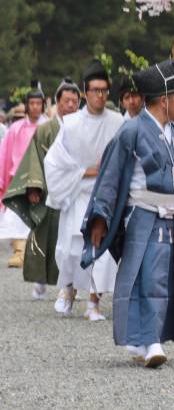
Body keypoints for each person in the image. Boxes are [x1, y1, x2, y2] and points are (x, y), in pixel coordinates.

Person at [81, 59, 174, 368]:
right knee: (148, 279)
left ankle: (143, 339)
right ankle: (150, 341)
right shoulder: (131, 132)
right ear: (164, 100)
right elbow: (109, 177)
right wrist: (100, 216)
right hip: (144, 216)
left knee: (167, 281)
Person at [44, 60, 124, 320]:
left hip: (105, 194)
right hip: (78, 190)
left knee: (101, 250)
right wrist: (88, 171)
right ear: (85, 92)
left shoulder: (117, 122)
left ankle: (93, 302)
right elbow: (54, 161)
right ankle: (67, 289)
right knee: (71, 249)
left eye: (104, 90)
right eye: (95, 90)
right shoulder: (71, 124)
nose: (100, 96)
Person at [3, 78, 81, 299]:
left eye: (75, 102)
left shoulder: (82, 128)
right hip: (49, 189)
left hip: (76, 190)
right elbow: (35, 158)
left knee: (73, 238)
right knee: (45, 235)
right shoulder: (46, 129)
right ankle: (40, 279)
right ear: (57, 102)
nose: (71, 106)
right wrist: (34, 186)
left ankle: (68, 285)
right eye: (67, 101)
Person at [0, 85, 48, 268]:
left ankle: (37, 253)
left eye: (38, 103)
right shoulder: (16, 128)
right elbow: (4, 155)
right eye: (32, 103)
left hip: (42, 178)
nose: (35, 107)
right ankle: (19, 252)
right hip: (18, 179)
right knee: (16, 215)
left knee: (41, 216)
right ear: (27, 106)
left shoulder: (49, 126)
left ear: (43, 105)